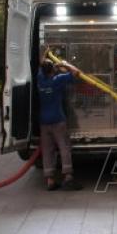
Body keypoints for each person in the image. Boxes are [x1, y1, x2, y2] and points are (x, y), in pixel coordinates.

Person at [38, 48, 82, 191]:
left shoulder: (40, 78)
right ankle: (68, 177)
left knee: (48, 150)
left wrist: (45, 54)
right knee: (64, 147)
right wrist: (65, 64)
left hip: (44, 122)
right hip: (58, 120)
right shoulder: (57, 80)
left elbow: (41, 65)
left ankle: (50, 180)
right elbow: (77, 73)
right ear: (53, 70)